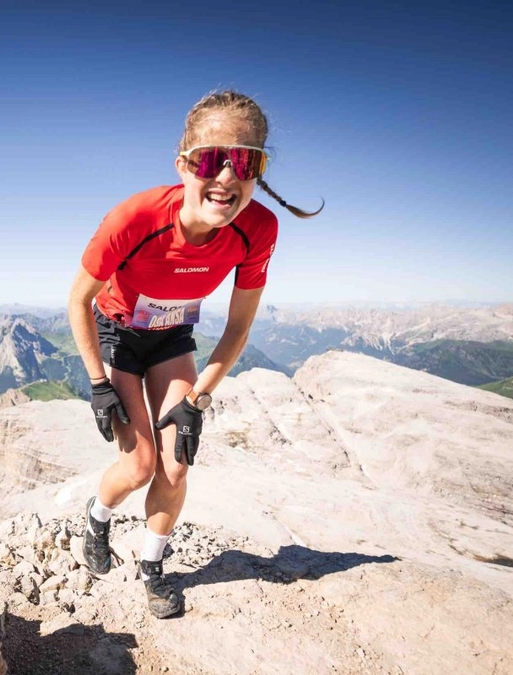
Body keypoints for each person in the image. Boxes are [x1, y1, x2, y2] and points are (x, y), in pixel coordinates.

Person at [68, 90, 322, 618]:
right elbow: (78, 301)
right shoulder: (135, 218)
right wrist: (98, 384)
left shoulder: (259, 229)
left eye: (247, 160)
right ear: (183, 164)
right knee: (138, 466)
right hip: (117, 333)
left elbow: (239, 326)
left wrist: (198, 399)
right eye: (212, 159)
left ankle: (152, 568)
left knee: (176, 466)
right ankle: (97, 517)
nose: (228, 177)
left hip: (172, 337)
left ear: (259, 170)